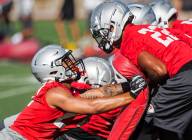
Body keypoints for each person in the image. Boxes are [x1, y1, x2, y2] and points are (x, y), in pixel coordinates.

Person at [90, 1, 192, 140]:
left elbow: (159, 71)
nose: (102, 38)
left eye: (103, 32)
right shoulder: (153, 29)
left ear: (113, 25)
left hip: (187, 77)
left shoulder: (129, 40)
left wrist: (146, 83)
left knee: (149, 118)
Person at [0, 45, 146, 139]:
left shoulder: (68, 89)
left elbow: (102, 91)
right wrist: (132, 95)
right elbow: (92, 107)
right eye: (65, 62)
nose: (71, 63)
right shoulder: (55, 93)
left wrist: (128, 86)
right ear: (53, 70)